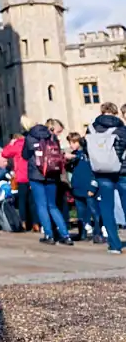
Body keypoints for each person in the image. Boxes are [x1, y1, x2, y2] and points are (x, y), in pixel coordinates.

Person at [23, 121, 73, 245]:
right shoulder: (52, 136)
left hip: (36, 174)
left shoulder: (30, 137)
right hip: (52, 174)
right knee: (53, 205)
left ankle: (49, 235)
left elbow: (24, 155)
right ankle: (65, 235)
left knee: (41, 206)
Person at [87, 102, 126, 255]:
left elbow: (87, 149)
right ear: (115, 113)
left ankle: (114, 244)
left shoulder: (91, 128)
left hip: (102, 172)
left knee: (107, 208)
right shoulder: (121, 129)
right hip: (123, 171)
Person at [66, 132, 102, 243]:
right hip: (77, 187)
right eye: (70, 142)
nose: (71, 145)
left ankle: (98, 233)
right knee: (81, 213)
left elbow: (96, 172)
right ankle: (82, 233)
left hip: (88, 187)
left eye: (74, 142)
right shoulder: (74, 155)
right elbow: (71, 169)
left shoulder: (88, 155)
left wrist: (93, 186)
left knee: (94, 211)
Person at [2, 129, 34, 231]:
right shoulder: (30, 143)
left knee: (22, 201)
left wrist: (11, 144)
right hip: (32, 175)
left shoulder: (16, 145)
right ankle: (36, 223)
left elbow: (4, 153)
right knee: (32, 201)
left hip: (21, 176)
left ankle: (23, 222)